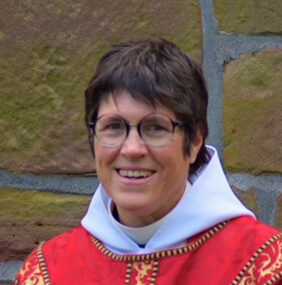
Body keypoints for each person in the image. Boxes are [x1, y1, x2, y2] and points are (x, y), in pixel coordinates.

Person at [14, 39, 281, 285]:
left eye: (155, 128)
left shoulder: (262, 267)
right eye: (114, 126)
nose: (132, 149)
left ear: (195, 140)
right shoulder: (47, 272)